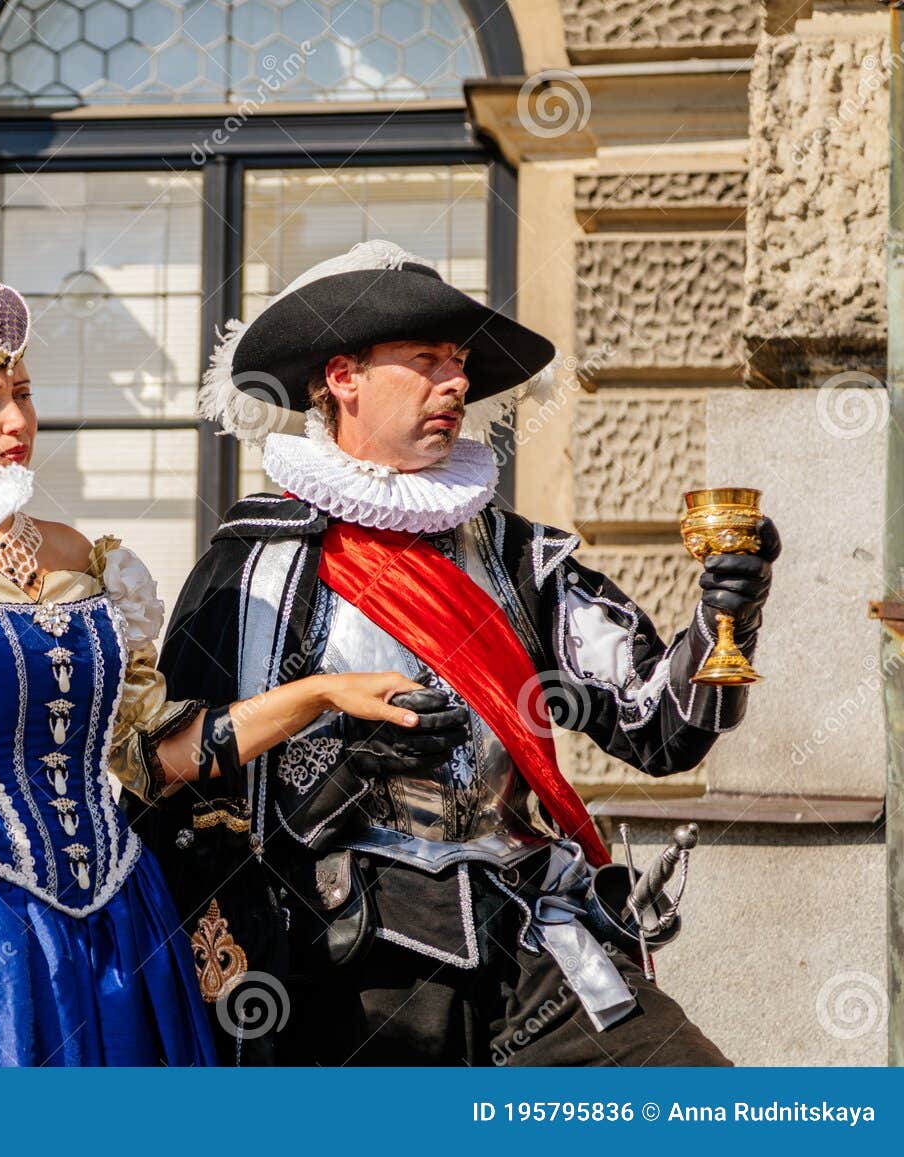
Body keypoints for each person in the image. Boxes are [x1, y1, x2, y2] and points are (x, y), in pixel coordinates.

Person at [132, 240, 779, 1066]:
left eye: (461, 361)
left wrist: (729, 616)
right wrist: (352, 768)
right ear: (343, 376)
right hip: (343, 963)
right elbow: (188, 795)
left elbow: (659, 730)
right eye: (427, 359)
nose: (458, 383)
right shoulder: (252, 565)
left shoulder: (517, 556)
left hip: (534, 942)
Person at [0, 282, 427, 1066]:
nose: (17, 424)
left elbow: (157, 758)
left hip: (117, 921)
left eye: (25, 396)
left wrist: (323, 694)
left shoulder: (90, 564)